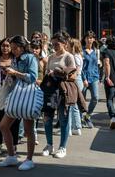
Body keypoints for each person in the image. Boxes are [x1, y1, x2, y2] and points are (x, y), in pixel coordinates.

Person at [0, 35, 38, 171]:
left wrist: (15, 72)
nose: (13, 51)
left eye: (15, 48)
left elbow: (33, 77)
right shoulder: (16, 58)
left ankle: (29, 159)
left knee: (28, 130)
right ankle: (11, 156)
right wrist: (10, 74)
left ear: (22, 47)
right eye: (12, 48)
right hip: (15, 96)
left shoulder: (31, 58)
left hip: (26, 96)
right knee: (3, 126)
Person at [41, 31, 76, 159]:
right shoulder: (50, 57)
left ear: (64, 44)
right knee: (47, 118)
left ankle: (63, 147)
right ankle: (49, 145)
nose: (54, 46)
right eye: (53, 43)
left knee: (63, 119)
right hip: (50, 91)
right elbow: (46, 73)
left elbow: (73, 76)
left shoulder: (68, 57)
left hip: (62, 91)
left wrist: (58, 73)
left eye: (57, 44)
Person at [0, 37, 21, 155]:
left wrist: (11, 73)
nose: (5, 48)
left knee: (14, 119)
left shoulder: (16, 59)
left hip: (13, 91)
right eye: (3, 45)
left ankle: (14, 145)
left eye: (8, 46)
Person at [81, 31, 100, 129]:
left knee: (95, 98)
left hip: (94, 77)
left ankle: (87, 116)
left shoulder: (96, 51)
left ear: (94, 39)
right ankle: (80, 119)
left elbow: (97, 65)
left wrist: (99, 78)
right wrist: (84, 79)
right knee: (82, 100)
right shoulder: (81, 51)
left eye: (91, 38)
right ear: (84, 39)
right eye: (87, 37)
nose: (89, 39)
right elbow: (80, 67)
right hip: (83, 78)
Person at [67, 38, 84, 136]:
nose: (67, 46)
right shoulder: (78, 56)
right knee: (74, 105)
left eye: (69, 44)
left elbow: (76, 71)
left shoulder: (75, 56)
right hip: (78, 80)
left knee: (70, 105)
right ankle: (76, 127)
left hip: (75, 81)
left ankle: (70, 128)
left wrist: (71, 79)